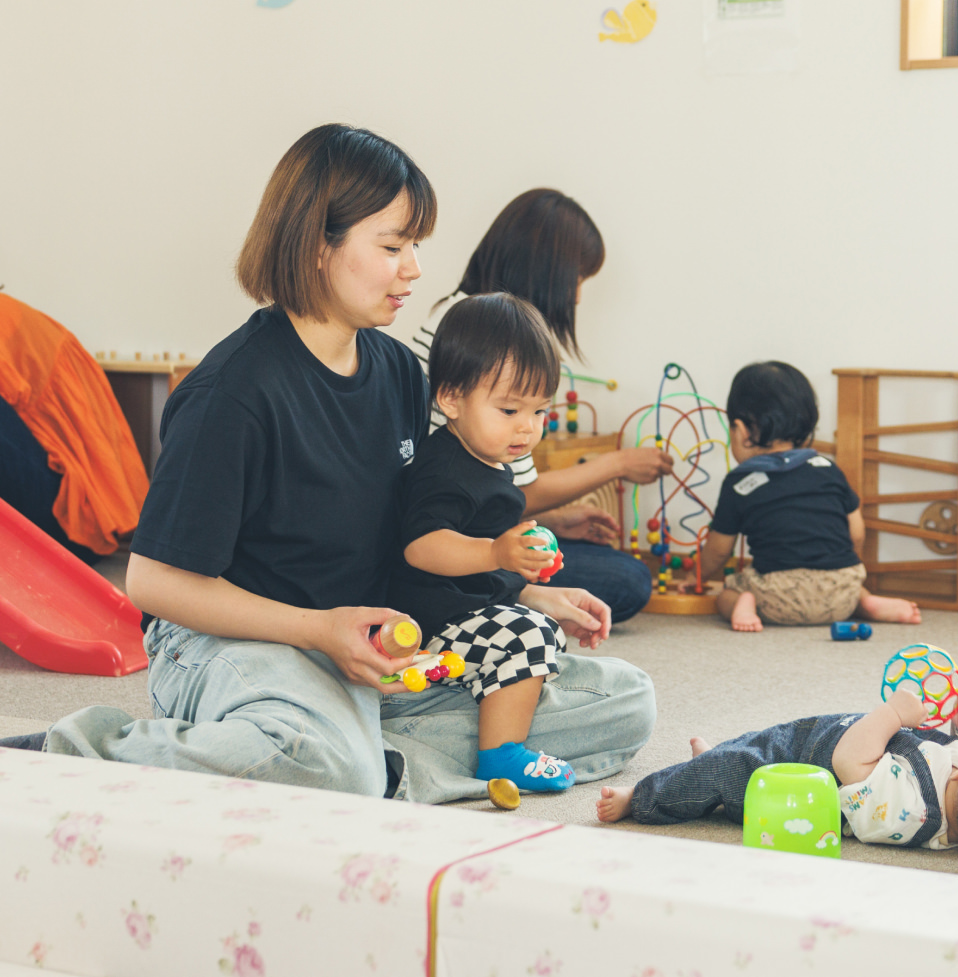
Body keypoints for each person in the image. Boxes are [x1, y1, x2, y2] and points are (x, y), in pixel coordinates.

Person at [1, 125, 656, 803]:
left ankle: (365, 759)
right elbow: (154, 582)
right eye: (393, 246)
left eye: (416, 246)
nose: (414, 268)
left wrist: (520, 593)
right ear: (319, 245)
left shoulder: (400, 373)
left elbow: (412, 537)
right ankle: (77, 754)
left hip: (365, 642)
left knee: (623, 700)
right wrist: (318, 630)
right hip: (237, 640)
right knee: (330, 763)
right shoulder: (234, 392)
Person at [410, 188, 672, 623]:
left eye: (539, 411)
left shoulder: (461, 317)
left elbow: (499, 489)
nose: (578, 296)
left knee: (605, 568)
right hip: (454, 546)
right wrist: (618, 464)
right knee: (628, 579)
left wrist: (555, 519)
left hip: (478, 526)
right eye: (578, 278)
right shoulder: (478, 338)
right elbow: (514, 491)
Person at [393, 293, 580, 793]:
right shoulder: (443, 467)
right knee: (529, 636)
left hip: (466, 609)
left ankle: (480, 709)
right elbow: (421, 547)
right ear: (451, 399)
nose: (527, 427)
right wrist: (496, 553)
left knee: (546, 634)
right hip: (430, 623)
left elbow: (488, 564)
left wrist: (526, 574)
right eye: (509, 409)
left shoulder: (490, 462)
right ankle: (500, 755)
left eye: (540, 411)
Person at [596, 682, 958, 868]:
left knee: (733, 768)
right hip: (816, 737)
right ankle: (712, 769)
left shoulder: (909, 810)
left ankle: (643, 797)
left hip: (799, 775)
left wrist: (893, 714)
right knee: (746, 746)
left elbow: (850, 763)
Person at [702, 361, 921, 632]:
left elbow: (719, 550)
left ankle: (743, 605)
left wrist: (696, 576)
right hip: (840, 596)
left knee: (727, 594)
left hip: (777, 598)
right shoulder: (828, 469)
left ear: (742, 430)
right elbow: (856, 533)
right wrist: (840, 568)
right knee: (851, 586)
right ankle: (866, 602)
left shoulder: (738, 483)